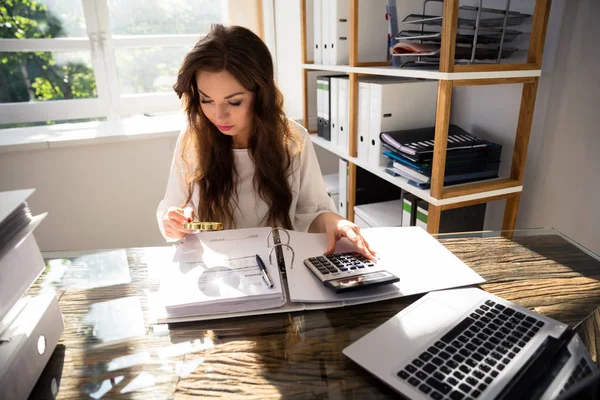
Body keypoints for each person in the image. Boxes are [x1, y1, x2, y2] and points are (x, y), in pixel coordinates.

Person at [156, 24, 375, 260]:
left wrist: (336, 222)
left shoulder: (292, 139)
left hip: (281, 265)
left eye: (234, 102)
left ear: (261, 96)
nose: (218, 115)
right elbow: (172, 214)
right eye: (206, 100)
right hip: (218, 273)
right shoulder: (191, 139)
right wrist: (173, 223)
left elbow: (312, 212)